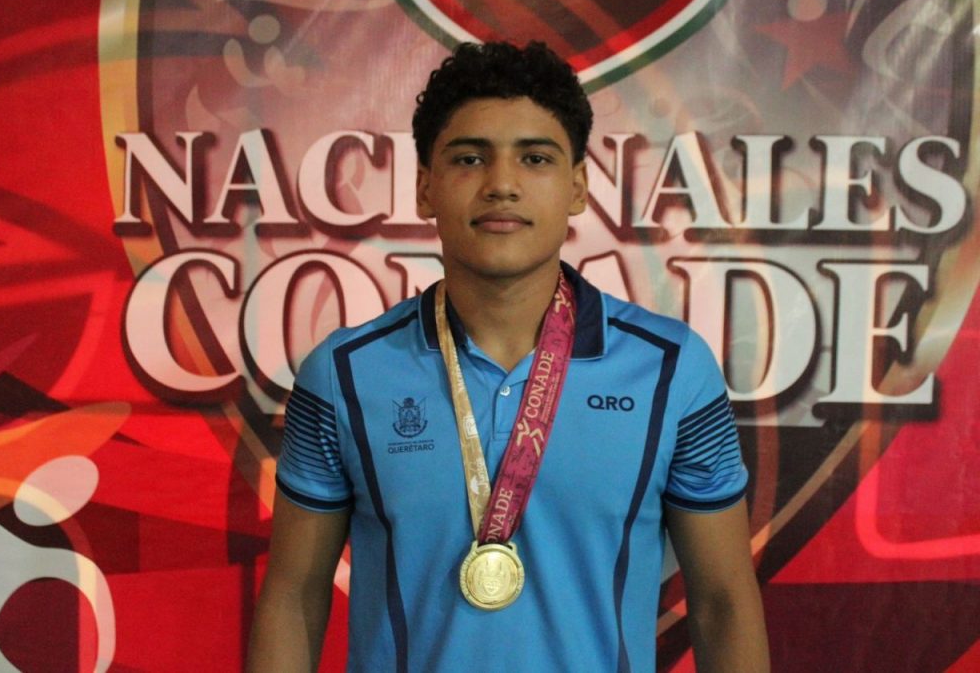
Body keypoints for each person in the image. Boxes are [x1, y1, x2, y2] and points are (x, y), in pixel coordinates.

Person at [248, 41, 769, 672]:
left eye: (535, 158)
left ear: (577, 186)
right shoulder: (343, 374)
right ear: (425, 188)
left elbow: (722, 604)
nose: (501, 184)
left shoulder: (671, 370)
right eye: (469, 158)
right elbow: (293, 598)